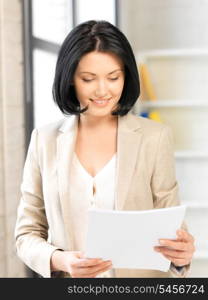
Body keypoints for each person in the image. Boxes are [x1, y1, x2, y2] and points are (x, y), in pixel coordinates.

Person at [15, 20, 195, 278]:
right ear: (70, 79)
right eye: (88, 79)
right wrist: (60, 260)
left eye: (113, 77)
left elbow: (171, 227)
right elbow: (26, 235)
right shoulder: (44, 140)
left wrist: (180, 254)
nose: (102, 90)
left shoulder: (154, 138)